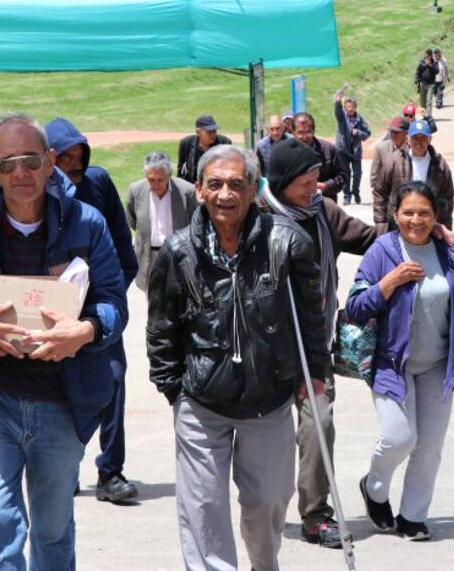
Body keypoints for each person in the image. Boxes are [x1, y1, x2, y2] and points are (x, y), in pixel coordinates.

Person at [0, 113, 127, 568]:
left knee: (52, 530)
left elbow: (115, 305)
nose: (20, 172)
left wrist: (86, 330)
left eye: (31, 160)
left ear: (51, 161)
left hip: (62, 403)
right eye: (8, 163)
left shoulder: (87, 224)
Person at [146, 145, 327, 571]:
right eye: (215, 184)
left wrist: (314, 371)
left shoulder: (286, 242)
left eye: (236, 184)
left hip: (269, 398)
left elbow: (311, 316)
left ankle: (264, 564)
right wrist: (174, 390)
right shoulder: (177, 252)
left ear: (253, 189)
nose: (225, 194)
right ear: (199, 190)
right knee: (203, 508)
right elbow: (160, 328)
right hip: (201, 401)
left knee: (268, 502)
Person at [350, 182, 454, 542]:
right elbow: (355, 308)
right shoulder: (382, 252)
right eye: (408, 212)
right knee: (399, 437)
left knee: (429, 446)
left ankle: (413, 517)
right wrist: (388, 283)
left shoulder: (448, 253)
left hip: (437, 366)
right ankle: (374, 487)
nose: (415, 220)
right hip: (392, 365)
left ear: (436, 216)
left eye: (424, 213)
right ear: (395, 214)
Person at [258, 139, 377, 550]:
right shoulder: (258, 218)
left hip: (314, 345)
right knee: (263, 436)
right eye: (306, 183)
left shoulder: (323, 212)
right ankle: (260, 507)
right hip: (266, 350)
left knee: (319, 424)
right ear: (282, 182)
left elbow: (371, 239)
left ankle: (315, 515)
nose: (316, 189)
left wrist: (421, 229)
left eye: (317, 180)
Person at [45, 117, 140, 503]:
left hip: (99, 312)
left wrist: (109, 297)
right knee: (59, 390)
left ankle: (110, 472)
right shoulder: (37, 195)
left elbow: (123, 248)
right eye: (64, 157)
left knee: (113, 380)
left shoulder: (98, 183)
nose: (74, 164)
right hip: (53, 316)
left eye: (78, 156)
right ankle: (65, 467)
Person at [127, 150, 197, 291]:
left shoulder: (187, 191)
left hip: (178, 256)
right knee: (151, 298)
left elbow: (195, 223)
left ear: (169, 176)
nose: (156, 184)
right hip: (148, 257)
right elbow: (133, 220)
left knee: (179, 297)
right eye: (151, 180)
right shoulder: (135, 190)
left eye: (160, 180)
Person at [372, 119, 454, 232]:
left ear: (430, 139)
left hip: (428, 226)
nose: (419, 142)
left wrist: (444, 228)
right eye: (415, 137)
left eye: (423, 137)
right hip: (398, 225)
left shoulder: (440, 165)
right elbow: (380, 193)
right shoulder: (393, 161)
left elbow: (447, 198)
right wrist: (380, 224)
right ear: (408, 139)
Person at [293, 112, 345, 201]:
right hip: (294, 205)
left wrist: (324, 186)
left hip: (324, 203)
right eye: (300, 133)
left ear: (313, 131)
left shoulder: (329, 149)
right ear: (293, 132)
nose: (304, 137)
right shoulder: (284, 153)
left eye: (308, 132)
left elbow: (342, 177)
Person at [334, 86, 372, 206]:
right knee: (345, 174)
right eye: (348, 107)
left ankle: (355, 191)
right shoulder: (342, 118)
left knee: (357, 174)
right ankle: (347, 196)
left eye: (352, 107)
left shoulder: (360, 120)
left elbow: (367, 134)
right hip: (343, 150)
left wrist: (358, 133)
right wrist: (338, 99)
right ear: (345, 107)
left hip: (355, 151)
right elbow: (337, 110)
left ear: (355, 107)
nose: (350, 109)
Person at [177, 114, 233, 184]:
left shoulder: (224, 143)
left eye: (214, 131)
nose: (213, 135)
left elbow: (230, 167)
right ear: (198, 132)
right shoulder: (186, 143)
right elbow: (180, 168)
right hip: (193, 185)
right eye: (209, 132)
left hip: (216, 184)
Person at [371, 117, 409, 199]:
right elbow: (374, 174)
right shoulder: (381, 148)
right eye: (391, 131)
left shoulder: (411, 150)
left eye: (396, 132)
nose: (393, 134)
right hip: (387, 196)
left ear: (406, 133)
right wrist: (378, 194)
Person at [414, 49, 438, 117]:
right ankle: (423, 116)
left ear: (431, 56)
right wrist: (416, 81)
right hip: (423, 84)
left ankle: (429, 116)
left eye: (427, 56)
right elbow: (418, 71)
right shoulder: (422, 62)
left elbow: (437, 71)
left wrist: (430, 65)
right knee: (422, 102)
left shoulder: (434, 62)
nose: (426, 57)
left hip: (431, 85)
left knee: (429, 101)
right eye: (425, 56)